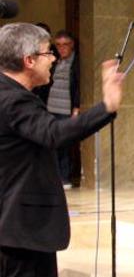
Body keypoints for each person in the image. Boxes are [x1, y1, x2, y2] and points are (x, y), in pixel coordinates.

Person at [0, 23, 124, 277]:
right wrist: (107, 107)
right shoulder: (14, 101)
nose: (52, 59)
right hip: (23, 234)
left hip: (9, 231)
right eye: (46, 52)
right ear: (28, 60)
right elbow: (53, 133)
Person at [44, 30, 81, 189]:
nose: (62, 48)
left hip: (66, 109)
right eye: (58, 45)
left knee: (64, 145)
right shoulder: (55, 62)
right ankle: (56, 177)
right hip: (51, 107)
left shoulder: (76, 63)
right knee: (52, 144)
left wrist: (76, 107)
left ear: (71, 45)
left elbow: (79, 86)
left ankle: (65, 178)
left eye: (65, 45)